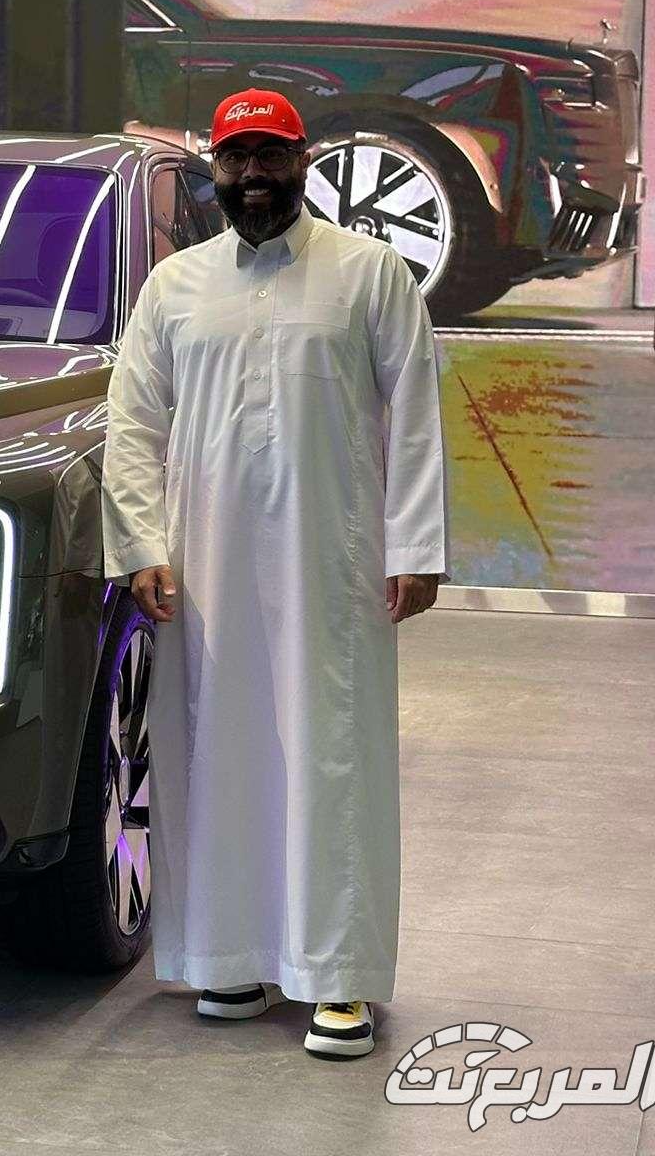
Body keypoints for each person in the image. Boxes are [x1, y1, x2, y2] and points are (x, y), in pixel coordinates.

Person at [103, 89, 450, 1060]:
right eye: (236, 157)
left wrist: (415, 546)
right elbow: (133, 423)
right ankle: (230, 957)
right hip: (204, 567)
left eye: (271, 155)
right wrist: (140, 544)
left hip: (333, 564)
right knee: (215, 753)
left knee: (332, 759)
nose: (253, 174)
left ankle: (340, 977)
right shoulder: (173, 285)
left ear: (303, 162)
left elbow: (415, 413)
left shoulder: (369, 273)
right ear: (214, 170)